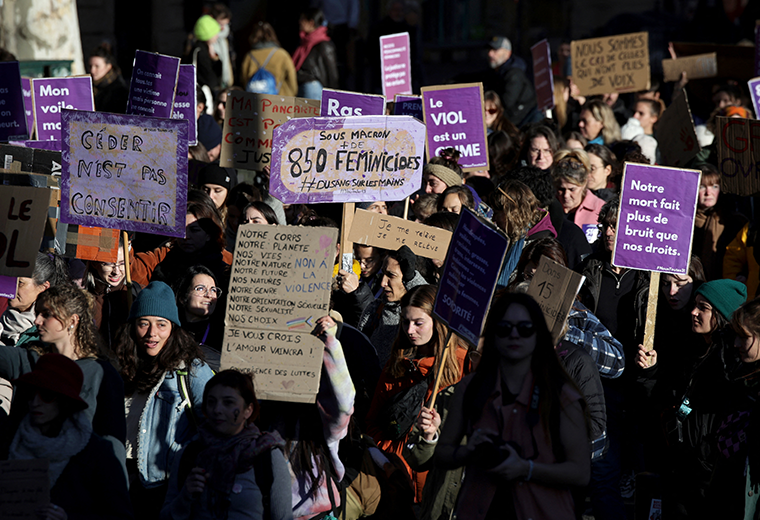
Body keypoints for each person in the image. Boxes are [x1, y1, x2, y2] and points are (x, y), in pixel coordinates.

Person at [437, 292, 590, 520]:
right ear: (493, 335)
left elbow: (580, 473)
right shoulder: (472, 388)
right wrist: (469, 451)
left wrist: (526, 469)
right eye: (504, 328)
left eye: (525, 328)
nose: (514, 335)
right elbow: (442, 455)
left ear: (537, 334)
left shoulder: (560, 395)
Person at [637, 279, 746, 519]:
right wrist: (650, 372)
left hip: (707, 473)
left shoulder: (729, 362)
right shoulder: (694, 351)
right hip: (684, 466)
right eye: (695, 305)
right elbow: (668, 399)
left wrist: (706, 457)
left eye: (703, 308)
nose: (694, 312)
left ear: (721, 313)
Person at [112, 281, 214, 519]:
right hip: (119, 478)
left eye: (161, 324)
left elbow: (213, 425)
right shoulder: (118, 367)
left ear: (173, 328)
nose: (151, 333)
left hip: (163, 485)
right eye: (143, 323)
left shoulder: (191, 370)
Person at [0, 284, 127, 464]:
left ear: (72, 321)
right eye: (37, 313)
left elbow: (114, 440)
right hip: (27, 476)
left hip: (78, 479)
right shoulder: (28, 359)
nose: (37, 321)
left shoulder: (103, 373)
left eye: (46, 314)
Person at [365, 285, 468, 502]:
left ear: (438, 323)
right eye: (405, 322)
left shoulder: (464, 366)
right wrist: (396, 455)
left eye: (418, 323)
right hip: (395, 482)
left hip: (437, 492)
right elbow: (372, 422)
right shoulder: (398, 363)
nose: (409, 330)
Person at [9, 353, 133, 519]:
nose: (35, 402)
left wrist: (68, 518)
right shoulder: (11, 442)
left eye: (47, 396)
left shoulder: (97, 454)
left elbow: (120, 515)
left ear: (65, 400)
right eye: (31, 394)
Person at [161, 370, 292, 520]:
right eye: (211, 402)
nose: (217, 410)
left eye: (228, 402)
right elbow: (165, 516)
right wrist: (185, 497)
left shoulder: (266, 456)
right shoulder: (189, 455)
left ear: (248, 410)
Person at [132, 189, 232, 291]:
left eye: (194, 230)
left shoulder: (224, 272)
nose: (185, 236)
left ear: (209, 234)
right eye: (180, 230)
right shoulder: (164, 265)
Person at [357, 246, 427, 365]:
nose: (383, 283)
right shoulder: (375, 309)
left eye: (391, 275)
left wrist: (412, 280)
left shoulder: (425, 316)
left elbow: (432, 305)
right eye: (383, 273)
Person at [83, 238, 142, 348]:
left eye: (122, 263)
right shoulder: (81, 298)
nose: (117, 271)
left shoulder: (138, 295)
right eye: (109, 264)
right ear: (95, 263)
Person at [694, 164, 746, 281]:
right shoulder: (685, 222)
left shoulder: (734, 222)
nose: (708, 192)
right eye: (702, 187)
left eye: (714, 186)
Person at [173, 266, 225, 370]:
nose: (209, 295)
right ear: (183, 297)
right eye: (200, 289)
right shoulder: (169, 330)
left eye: (213, 290)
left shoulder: (222, 334)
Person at [553, 150, 605, 243]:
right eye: (561, 189)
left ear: (584, 183)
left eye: (572, 189)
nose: (566, 195)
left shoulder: (600, 208)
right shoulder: (548, 208)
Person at [486, 36, 538, 127]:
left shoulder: (514, 75)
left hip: (520, 123)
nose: (490, 54)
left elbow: (506, 103)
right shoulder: (498, 71)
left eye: (495, 50)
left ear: (507, 53)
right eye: (490, 50)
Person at [293, 9, 338, 100]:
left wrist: (334, 95)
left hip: (312, 88)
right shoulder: (304, 42)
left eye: (303, 19)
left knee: (308, 114)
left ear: (311, 22)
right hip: (302, 86)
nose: (300, 22)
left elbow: (332, 72)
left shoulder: (323, 44)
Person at [241, 21, 297, 96]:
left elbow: (244, 79)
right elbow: (291, 79)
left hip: (255, 99)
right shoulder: (282, 54)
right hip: (279, 99)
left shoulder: (250, 56)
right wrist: (290, 94)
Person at [89, 43, 128, 113]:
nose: (92, 70)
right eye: (90, 66)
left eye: (97, 66)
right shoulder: (90, 87)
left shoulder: (119, 92)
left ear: (108, 66)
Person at [190, 15, 223, 94]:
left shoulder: (207, 49)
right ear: (208, 35)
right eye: (215, 33)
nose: (217, 36)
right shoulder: (200, 51)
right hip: (203, 93)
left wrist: (214, 57)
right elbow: (209, 76)